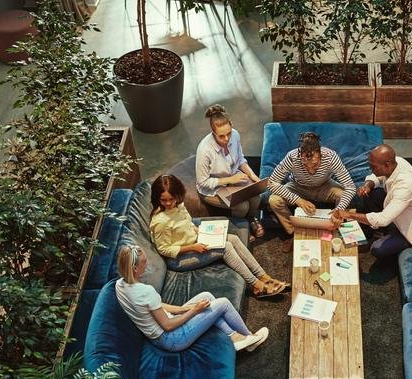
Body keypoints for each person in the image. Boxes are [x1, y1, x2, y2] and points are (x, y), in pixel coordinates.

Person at [149, 174, 289, 298]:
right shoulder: (160, 221)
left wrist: (202, 232)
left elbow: (188, 224)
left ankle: (263, 276)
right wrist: (192, 247)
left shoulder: (179, 206)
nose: (169, 203)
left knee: (233, 238)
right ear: (157, 198)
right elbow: (163, 249)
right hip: (178, 259)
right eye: (163, 200)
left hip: (195, 241)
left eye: (172, 199)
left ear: (178, 195)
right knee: (225, 248)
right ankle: (256, 285)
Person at [115, 244, 269, 352]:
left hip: (161, 332)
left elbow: (155, 306)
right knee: (223, 304)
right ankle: (249, 336)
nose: (147, 264)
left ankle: (235, 337)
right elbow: (167, 326)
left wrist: (182, 309)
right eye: (144, 262)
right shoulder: (145, 291)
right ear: (135, 268)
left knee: (206, 297)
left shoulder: (119, 285)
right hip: (171, 339)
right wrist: (194, 310)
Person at [332, 144, 412, 259]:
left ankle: (396, 240)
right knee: (371, 194)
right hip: (399, 211)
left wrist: (348, 214)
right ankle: (377, 232)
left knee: (377, 249)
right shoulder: (396, 162)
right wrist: (368, 185)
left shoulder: (406, 185)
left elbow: (383, 219)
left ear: (387, 165)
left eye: (373, 167)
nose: (371, 169)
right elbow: (378, 176)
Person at [267, 132, 356, 252]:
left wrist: (338, 210)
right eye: (305, 165)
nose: (310, 170)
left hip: (324, 186)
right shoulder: (292, 157)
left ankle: (334, 230)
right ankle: (294, 233)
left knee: (342, 195)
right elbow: (271, 182)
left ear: (321, 154)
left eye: (315, 164)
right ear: (300, 155)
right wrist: (297, 200)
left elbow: (350, 187)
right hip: (297, 187)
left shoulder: (330, 156)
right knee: (274, 200)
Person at [195, 104, 265, 239]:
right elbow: (202, 182)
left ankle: (251, 220)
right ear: (213, 133)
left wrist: (252, 176)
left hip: (233, 180)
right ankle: (241, 228)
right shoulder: (204, 150)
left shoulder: (235, 135)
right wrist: (230, 180)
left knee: (256, 197)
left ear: (231, 126)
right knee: (242, 206)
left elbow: (240, 160)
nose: (226, 139)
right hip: (212, 189)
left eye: (229, 133)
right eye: (221, 136)